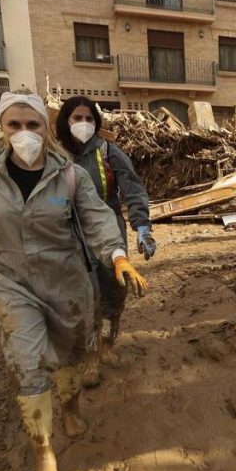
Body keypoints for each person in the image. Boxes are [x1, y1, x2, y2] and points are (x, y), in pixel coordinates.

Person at [0, 89, 150, 471]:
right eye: (15, 125)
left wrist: (117, 255)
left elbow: (97, 217)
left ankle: (70, 405)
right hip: (12, 281)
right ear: (3, 128)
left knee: (72, 355)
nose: (25, 133)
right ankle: (43, 450)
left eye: (32, 124)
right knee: (25, 360)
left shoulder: (69, 174)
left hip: (67, 279)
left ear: (45, 128)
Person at [56, 96, 155, 385]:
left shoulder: (108, 152)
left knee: (114, 289)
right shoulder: (54, 157)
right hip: (71, 234)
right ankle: (89, 356)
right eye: (77, 118)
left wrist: (143, 227)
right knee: (86, 295)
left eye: (89, 119)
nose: (84, 124)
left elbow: (133, 190)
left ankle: (108, 343)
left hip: (109, 227)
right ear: (66, 121)